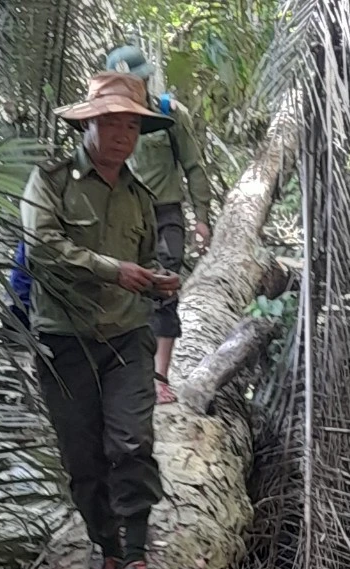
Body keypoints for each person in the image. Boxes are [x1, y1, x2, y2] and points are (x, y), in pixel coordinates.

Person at [20, 72, 180, 569]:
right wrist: (113, 270)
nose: (122, 135)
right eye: (111, 123)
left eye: (131, 126)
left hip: (126, 337)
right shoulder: (52, 181)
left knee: (132, 441)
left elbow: (146, 259)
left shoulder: (140, 194)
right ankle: (105, 551)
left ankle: (136, 555)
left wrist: (159, 283)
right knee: (82, 453)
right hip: (64, 339)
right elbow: (40, 246)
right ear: (88, 126)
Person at [105, 45, 214, 404]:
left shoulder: (170, 115)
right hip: (120, 214)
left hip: (165, 213)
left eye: (135, 82)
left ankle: (159, 376)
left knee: (164, 290)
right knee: (120, 290)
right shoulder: (102, 120)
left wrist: (201, 218)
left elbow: (194, 166)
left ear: (147, 79)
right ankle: (123, 373)